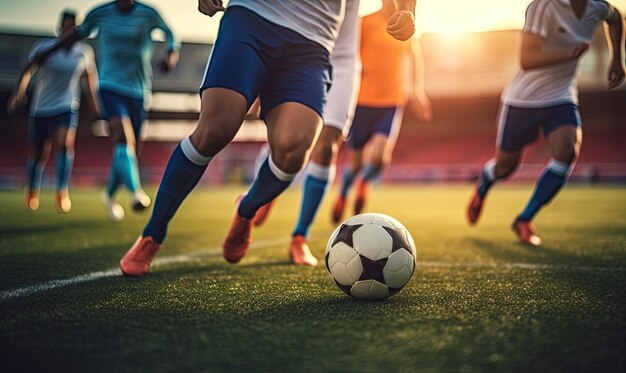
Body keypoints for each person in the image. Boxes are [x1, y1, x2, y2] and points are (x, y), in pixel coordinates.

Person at [119, 0, 417, 276]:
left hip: (313, 40)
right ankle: (153, 233)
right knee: (215, 129)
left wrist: (408, 9)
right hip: (252, 17)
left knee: (294, 151)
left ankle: (247, 209)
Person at [467, 0, 624, 245]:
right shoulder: (542, 6)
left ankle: (524, 219)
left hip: (561, 96)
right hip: (522, 100)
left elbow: (615, 18)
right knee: (505, 167)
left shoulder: (597, 6)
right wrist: (567, 54)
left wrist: (616, 59)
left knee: (567, 151)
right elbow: (526, 59)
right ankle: (485, 183)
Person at [30, 0, 180, 222]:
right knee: (122, 137)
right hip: (109, 86)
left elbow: (170, 34)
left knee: (130, 152)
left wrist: (170, 57)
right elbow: (76, 34)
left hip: (139, 91)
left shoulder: (148, 14)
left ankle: (109, 196)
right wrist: (49, 52)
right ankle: (137, 193)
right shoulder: (100, 14)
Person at [251, 0, 362, 266]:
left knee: (327, 145)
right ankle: (263, 193)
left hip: (342, 60)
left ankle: (300, 237)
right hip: (297, 51)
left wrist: (406, 11)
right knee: (285, 140)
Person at [332, 0, 432, 224]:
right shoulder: (365, 22)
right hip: (361, 101)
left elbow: (415, 57)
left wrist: (416, 90)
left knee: (379, 159)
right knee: (356, 164)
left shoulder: (407, 24)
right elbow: (348, 52)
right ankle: (343, 193)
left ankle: (364, 184)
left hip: (391, 101)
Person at [7, 10, 99, 214]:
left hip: (66, 106)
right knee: (39, 154)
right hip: (41, 108)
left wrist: (95, 109)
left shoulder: (84, 52)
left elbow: (90, 79)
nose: (71, 32)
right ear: (60, 29)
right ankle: (32, 189)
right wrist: (19, 92)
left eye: (75, 28)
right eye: (68, 28)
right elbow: (28, 69)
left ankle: (61, 190)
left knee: (64, 144)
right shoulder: (44, 47)